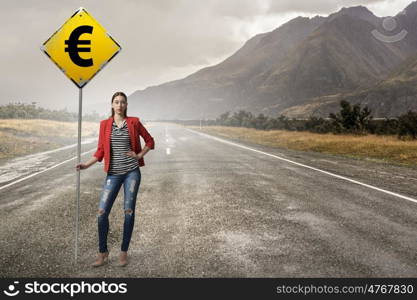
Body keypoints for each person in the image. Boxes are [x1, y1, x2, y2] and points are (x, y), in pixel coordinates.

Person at [76, 91, 155, 267]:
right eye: (116, 102)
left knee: (128, 211)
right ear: (112, 105)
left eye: (123, 102)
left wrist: (139, 154)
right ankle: (103, 252)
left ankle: (123, 252)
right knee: (102, 213)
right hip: (113, 174)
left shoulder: (133, 122)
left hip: (131, 173)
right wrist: (86, 165)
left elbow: (150, 141)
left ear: (126, 105)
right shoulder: (105, 125)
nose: (119, 105)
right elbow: (101, 150)